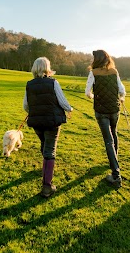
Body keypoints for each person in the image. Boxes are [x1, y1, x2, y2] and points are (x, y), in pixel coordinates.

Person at [23, 57, 73, 198]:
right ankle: (47, 186)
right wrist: (70, 109)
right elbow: (62, 101)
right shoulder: (53, 82)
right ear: (47, 68)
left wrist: (35, 112)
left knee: (44, 144)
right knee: (50, 150)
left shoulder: (29, 84)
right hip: (52, 121)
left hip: (37, 122)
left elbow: (25, 106)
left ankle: (45, 172)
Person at [85, 50, 126, 188]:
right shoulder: (114, 71)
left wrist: (93, 97)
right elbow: (122, 90)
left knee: (108, 140)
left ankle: (116, 175)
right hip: (115, 109)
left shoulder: (93, 73)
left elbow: (87, 92)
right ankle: (115, 161)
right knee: (114, 134)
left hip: (101, 110)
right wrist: (121, 98)